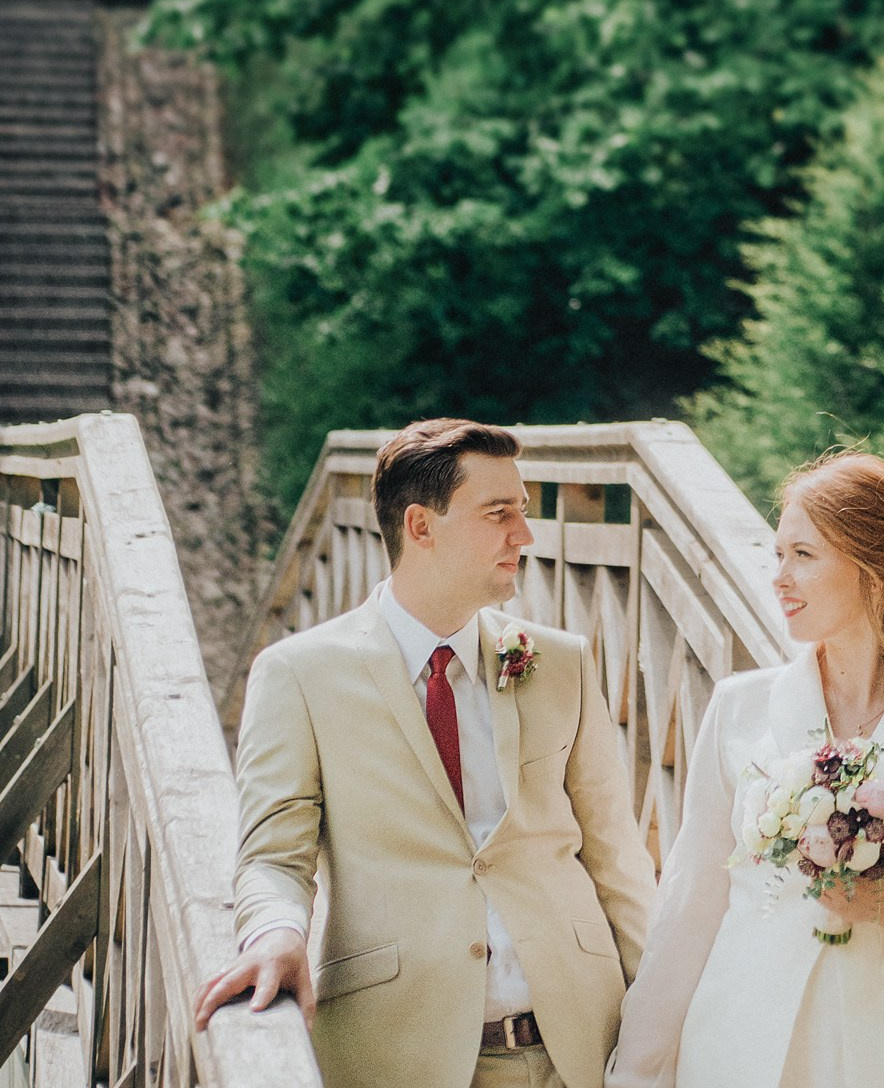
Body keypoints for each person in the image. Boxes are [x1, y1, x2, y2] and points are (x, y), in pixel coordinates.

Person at [194, 416, 655, 1088]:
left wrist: (661, 1022)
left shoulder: (559, 662)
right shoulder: (299, 674)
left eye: (522, 513)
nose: (523, 536)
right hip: (398, 1053)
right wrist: (275, 933)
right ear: (420, 527)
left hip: (579, 1047)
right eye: (499, 514)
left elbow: (616, 857)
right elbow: (272, 855)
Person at [607, 451, 884, 1088]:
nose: (779, 577)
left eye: (803, 556)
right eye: (777, 555)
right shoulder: (738, 709)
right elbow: (690, 906)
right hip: (741, 1049)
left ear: (876, 571)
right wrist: (637, 1070)